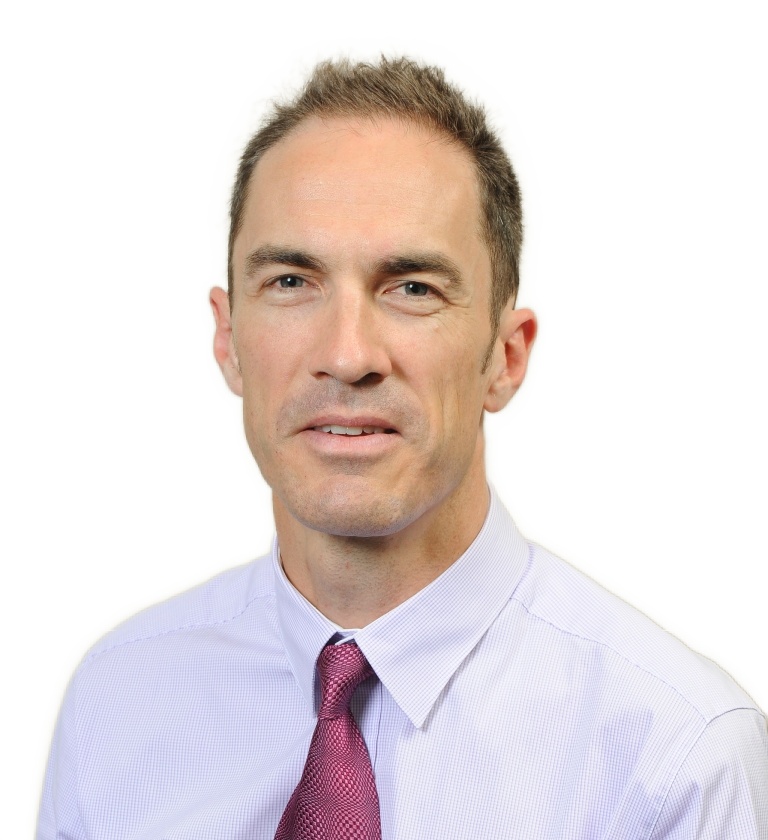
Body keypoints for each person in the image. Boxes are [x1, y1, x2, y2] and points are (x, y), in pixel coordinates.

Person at [37, 57, 767, 840]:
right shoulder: (114, 705)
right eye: (291, 281)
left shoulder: (674, 758)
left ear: (506, 355)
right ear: (228, 339)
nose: (349, 354)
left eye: (412, 287)